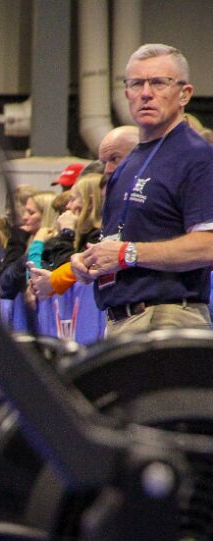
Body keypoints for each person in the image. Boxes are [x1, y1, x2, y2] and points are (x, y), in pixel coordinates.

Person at [73, 43, 213, 335]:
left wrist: (128, 253)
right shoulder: (129, 161)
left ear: (185, 94)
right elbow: (120, 240)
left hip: (166, 319)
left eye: (159, 82)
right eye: (136, 84)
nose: (146, 93)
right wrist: (92, 261)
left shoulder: (196, 156)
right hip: (121, 320)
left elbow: (208, 245)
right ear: (126, 93)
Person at [29, 174, 105, 300]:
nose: (68, 206)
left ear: (90, 202)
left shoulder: (97, 237)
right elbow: (56, 270)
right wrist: (40, 282)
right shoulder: (82, 236)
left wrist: (67, 233)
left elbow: (65, 275)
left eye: (73, 200)